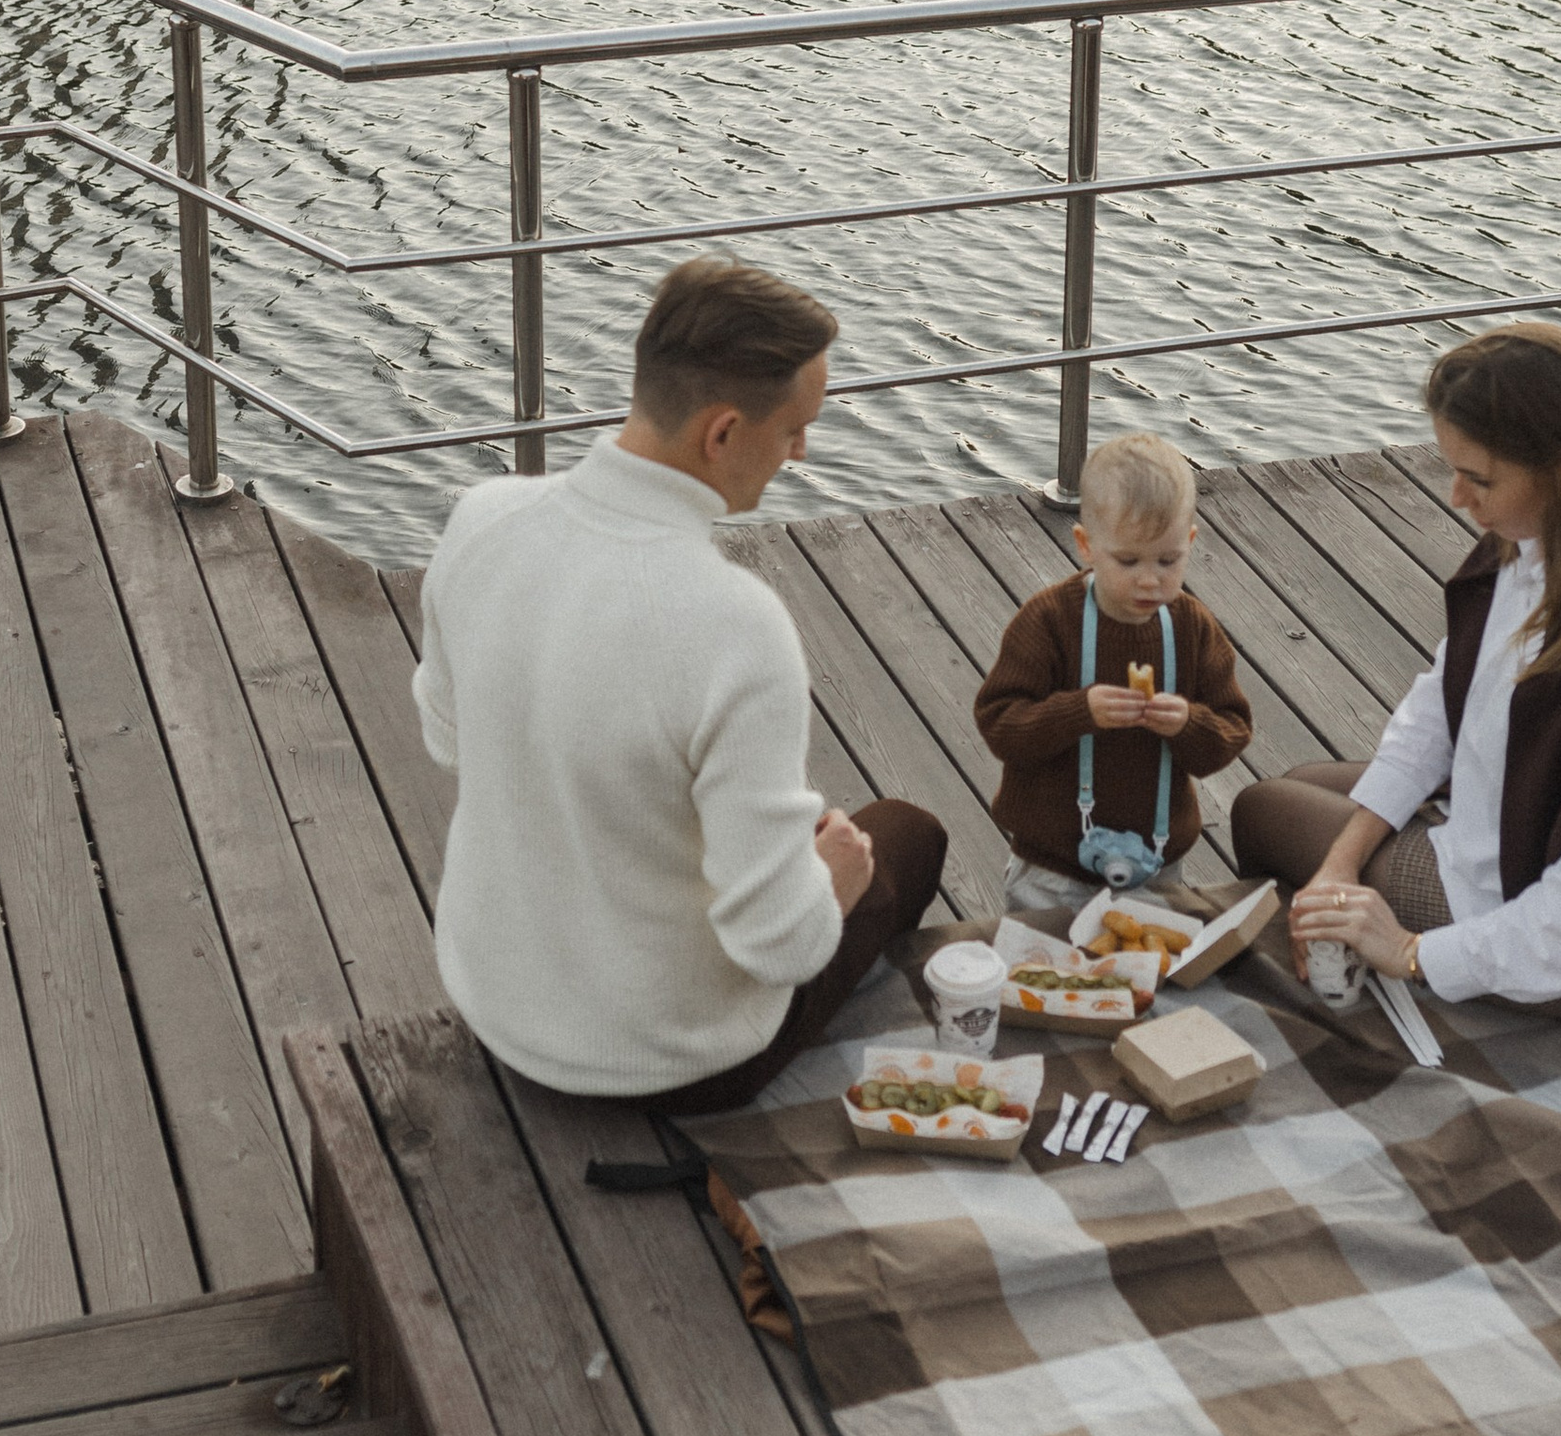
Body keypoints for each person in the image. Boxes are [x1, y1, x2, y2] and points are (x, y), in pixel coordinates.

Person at [413, 253, 945, 1111]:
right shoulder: (736, 625)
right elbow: (776, 944)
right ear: (724, 433)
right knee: (903, 838)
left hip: (498, 1006)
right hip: (665, 1061)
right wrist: (831, 885)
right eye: (795, 428)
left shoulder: (484, 518)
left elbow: (448, 741)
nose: (802, 450)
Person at [1231, 324, 1561, 1026]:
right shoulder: (1546, 542)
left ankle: (1338, 1009)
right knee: (1306, 787)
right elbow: (1440, 708)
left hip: (1551, 938)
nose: (1457, 496)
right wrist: (1341, 862)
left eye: (1479, 478)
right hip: (1510, 827)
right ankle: (1335, 933)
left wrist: (1411, 952)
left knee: (1263, 813)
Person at [973, 432, 1253, 920]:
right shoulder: (1049, 621)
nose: (1150, 579)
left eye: (1168, 561)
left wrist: (1187, 722)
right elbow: (1001, 725)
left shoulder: (1191, 627)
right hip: (1052, 865)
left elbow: (1231, 729)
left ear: (1190, 542)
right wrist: (1078, 712)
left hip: (1156, 860)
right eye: (1128, 561)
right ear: (1086, 546)